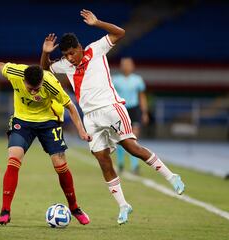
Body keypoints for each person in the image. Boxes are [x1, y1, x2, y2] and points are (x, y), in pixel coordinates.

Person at [40, 9, 185, 225]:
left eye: (72, 53)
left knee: (130, 146)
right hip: (90, 117)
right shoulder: (65, 64)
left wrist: (97, 22)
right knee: (102, 159)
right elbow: (44, 69)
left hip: (111, 107)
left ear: (79, 48)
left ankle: (172, 177)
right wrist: (45, 52)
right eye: (66, 55)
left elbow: (121, 33)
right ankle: (123, 205)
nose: (70, 58)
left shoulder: (95, 50)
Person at [0, 61, 92, 225]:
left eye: (37, 88)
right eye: (30, 88)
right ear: (24, 79)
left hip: (48, 122)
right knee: (14, 158)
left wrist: (81, 131)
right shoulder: (15, 72)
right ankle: (5, 211)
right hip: (23, 121)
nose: (33, 92)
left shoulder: (50, 83)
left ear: (41, 81)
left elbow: (71, 107)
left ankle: (75, 208)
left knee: (60, 164)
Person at [112, 57, 149, 175]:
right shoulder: (115, 80)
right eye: (124, 64)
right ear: (121, 66)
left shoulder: (137, 80)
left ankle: (135, 166)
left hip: (134, 109)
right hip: (121, 110)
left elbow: (142, 96)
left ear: (132, 66)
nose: (126, 67)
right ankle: (120, 164)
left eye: (128, 64)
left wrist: (144, 112)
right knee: (120, 138)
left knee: (134, 138)